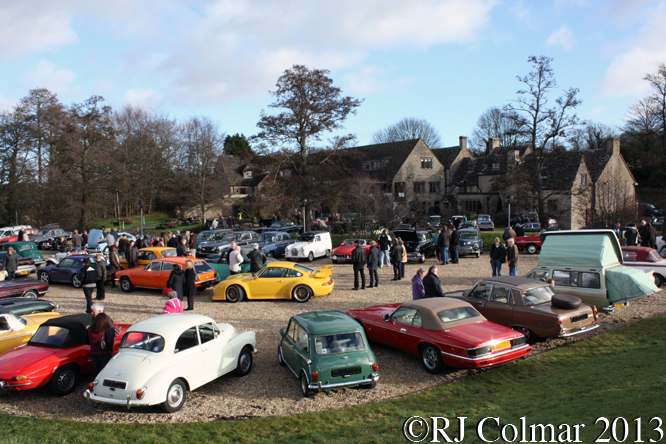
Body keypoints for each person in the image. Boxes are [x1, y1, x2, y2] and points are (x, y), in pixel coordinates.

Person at [85, 309, 115, 382]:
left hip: (93, 354)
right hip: (105, 354)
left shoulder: (89, 329)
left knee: (95, 370)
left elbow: (86, 341)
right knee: (105, 371)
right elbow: (110, 343)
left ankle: (91, 385)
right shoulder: (107, 329)